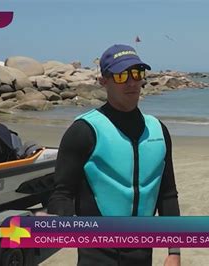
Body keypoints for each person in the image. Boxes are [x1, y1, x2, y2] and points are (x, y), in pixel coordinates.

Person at [46, 44, 181, 266]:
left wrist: (174, 251)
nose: (131, 82)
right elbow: (63, 193)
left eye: (137, 73)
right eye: (121, 75)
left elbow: (167, 195)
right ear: (104, 81)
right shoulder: (84, 130)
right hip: (97, 255)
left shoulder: (158, 130)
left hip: (143, 254)